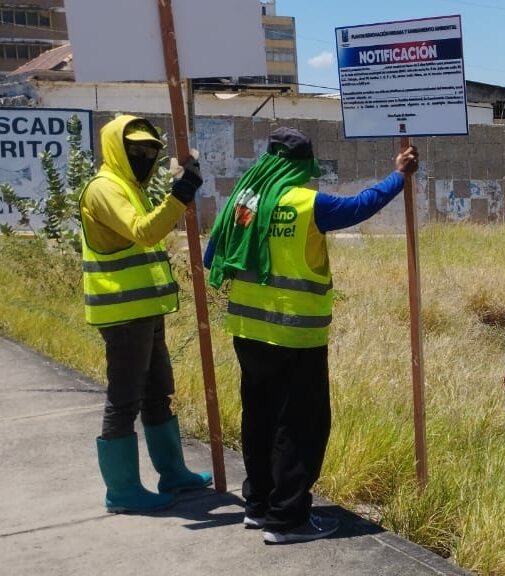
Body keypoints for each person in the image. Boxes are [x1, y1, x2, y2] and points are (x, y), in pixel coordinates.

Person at [204, 127, 419, 545]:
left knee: (259, 419)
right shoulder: (306, 204)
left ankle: (258, 506)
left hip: (248, 332)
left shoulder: (242, 203)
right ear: (304, 165)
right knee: (298, 427)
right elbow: (360, 206)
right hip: (296, 336)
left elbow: (214, 256)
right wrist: (399, 176)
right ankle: (288, 520)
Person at [80, 115, 210, 513]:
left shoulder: (129, 187)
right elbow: (145, 231)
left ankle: (173, 474)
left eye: (149, 151)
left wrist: (178, 188)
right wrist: (182, 192)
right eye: (134, 149)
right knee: (124, 401)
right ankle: (121, 492)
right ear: (116, 148)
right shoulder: (104, 189)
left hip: (146, 310)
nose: (143, 156)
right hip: (123, 315)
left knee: (158, 394)